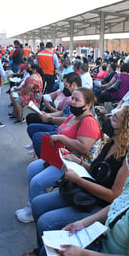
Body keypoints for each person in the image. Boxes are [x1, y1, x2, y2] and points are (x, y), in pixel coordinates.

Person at [22, 107, 129, 256]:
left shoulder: (127, 158)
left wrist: (78, 180)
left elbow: (114, 197)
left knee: (45, 221)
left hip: (98, 205)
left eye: (114, 119)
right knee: (37, 204)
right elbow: (97, 170)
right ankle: (45, 248)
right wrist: (79, 162)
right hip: (84, 192)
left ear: (126, 125)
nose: (107, 119)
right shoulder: (111, 143)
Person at [16, 87, 101, 223]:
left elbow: (84, 148)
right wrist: (49, 118)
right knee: (32, 168)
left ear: (88, 105)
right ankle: (33, 205)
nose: (72, 102)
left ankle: (36, 211)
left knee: (37, 182)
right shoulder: (75, 116)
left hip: (72, 162)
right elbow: (62, 121)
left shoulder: (88, 122)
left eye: (77, 100)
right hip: (60, 156)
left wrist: (62, 139)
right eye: (72, 98)